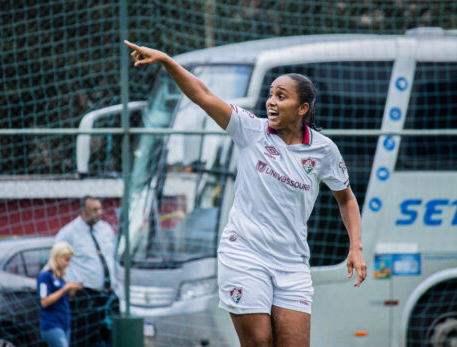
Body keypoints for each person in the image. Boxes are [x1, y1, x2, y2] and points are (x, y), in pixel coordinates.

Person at [124, 40, 367, 347]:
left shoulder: (323, 150)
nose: (271, 102)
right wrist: (166, 61)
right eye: (270, 95)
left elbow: (345, 198)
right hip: (245, 255)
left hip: (292, 263)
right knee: (260, 342)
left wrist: (356, 247)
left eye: (282, 96)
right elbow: (202, 94)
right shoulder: (249, 130)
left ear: (303, 108)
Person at [54, 196, 121, 347]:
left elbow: (113, 257)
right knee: (86, 339)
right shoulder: (68, 233)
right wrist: (66, 284)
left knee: (112, 337)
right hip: (85, 294)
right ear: (83, 212)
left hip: (109, 293)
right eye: (94, 210)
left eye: (100, 209)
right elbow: (56, 261)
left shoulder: (105, 229)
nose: (99, 213)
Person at [38, 241, 83, 347]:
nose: (68, 264)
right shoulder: (45, 276)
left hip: (64, 322)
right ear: (57, 257)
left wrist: (71, 292)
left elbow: (63, 300)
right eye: (66, 260)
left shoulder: (61, 277)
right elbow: (44, 302)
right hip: (52, 324)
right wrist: (65, 289)